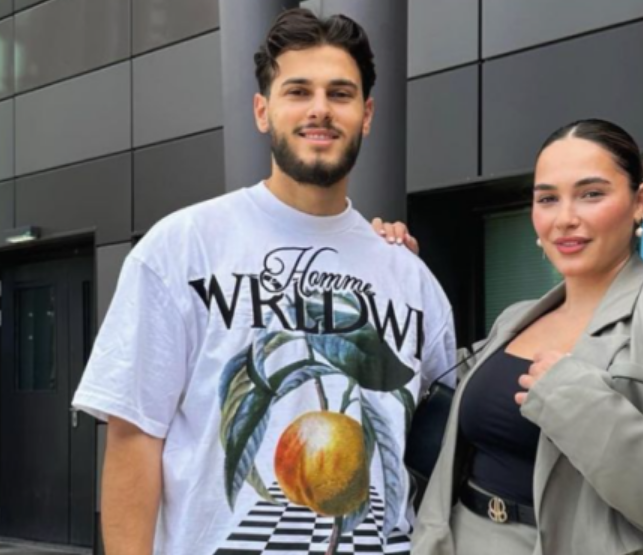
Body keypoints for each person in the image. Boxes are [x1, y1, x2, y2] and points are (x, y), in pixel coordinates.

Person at [73, 9, 455, 555]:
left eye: (340, 94)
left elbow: (439, 444)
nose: (320, 109)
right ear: (262, 110)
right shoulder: (184, 247)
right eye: (298, 91)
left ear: (367, 114)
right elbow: (133, 435)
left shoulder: (409, 278)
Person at [375, 119, 643, 555]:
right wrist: (392, 277)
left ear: (640, 202)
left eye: (591, 194)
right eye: (548, 198)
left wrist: (580, 403)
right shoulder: (516, 318)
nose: (565, 219)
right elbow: (413, 373)